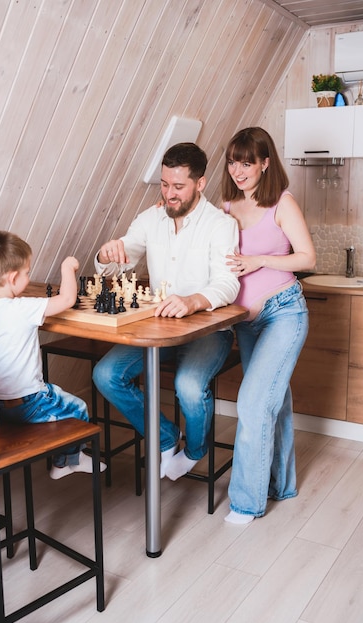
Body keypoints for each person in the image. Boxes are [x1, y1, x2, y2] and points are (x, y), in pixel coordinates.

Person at [92, 142, 240, 480]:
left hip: (208, 331)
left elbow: (227, 284)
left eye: (178, 187)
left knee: (188, 387)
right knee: (105, 375)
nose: (169, 194)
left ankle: (195, 450)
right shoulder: (150, 218)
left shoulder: (220, 225)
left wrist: (192, 301)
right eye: (164, 184)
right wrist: (106, 256)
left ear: (200, 184)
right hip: (160, 328)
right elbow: (120, 261)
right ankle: (166, 437)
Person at [221, 127, 316, 524]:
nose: (239, 170)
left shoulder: (282, 204)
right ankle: (282, 484)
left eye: (247, 162)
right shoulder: (226, 206)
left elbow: (307, 258)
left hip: (284, 313)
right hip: (245, 321)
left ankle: (246, 503)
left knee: (253, 403)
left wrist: (261, 260)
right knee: (274, 401)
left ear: (264, 163)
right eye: (233, 161)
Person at [0, 230, 106, 479]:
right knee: (80, 409)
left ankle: (64, 459)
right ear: (12, 278)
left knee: (54, 394)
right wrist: (67, 267)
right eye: (27, 272)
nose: (29, 277)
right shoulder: (23, 308)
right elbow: (66, 299)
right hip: (30, 404)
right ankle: (67, 462)